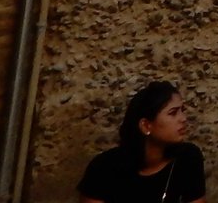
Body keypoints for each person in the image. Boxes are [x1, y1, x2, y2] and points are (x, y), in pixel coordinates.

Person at [78, 82, 206, 203]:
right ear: (146, 126)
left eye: (182, 110)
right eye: (173, 113)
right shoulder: (103, 169)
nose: (183, 119)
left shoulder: (187, 158)